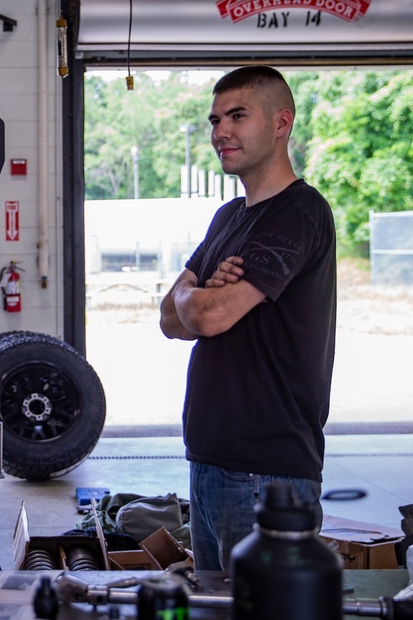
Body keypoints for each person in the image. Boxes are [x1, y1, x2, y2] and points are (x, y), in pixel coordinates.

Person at [159, 65, 337, 572]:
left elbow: (209, 318)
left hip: (267, 473)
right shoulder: (228, 218)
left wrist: (194, 294)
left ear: (282, 122)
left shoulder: (299, 213)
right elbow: (169, 318)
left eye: (238, 115)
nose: (221, 132)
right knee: (216, 607)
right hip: (210, 460)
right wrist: (196, 293)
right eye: (215, 119)